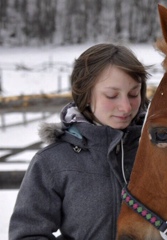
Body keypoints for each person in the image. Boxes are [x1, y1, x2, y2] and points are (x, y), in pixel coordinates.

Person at [9, 43, 150, 239]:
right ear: (85, 94)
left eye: (134, 94)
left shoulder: (158, 152)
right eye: (112, 95)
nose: (126, 107)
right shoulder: (52, 162)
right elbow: (28, 234)